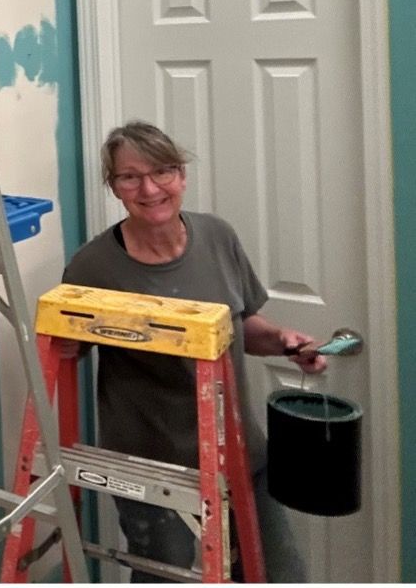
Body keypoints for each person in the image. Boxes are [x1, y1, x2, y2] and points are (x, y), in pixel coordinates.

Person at [61, 120, 325, 583]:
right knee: (164, 577)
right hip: (152, 464)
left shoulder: (217, 237)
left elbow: (241, 327)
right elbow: (67, 350)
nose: (149, 188)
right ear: (114, 187)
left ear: (182, 176)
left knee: (277, 574)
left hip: (238, 450)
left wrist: (284, 341)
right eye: (130, 177)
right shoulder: (93, 266)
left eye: (162, 171)